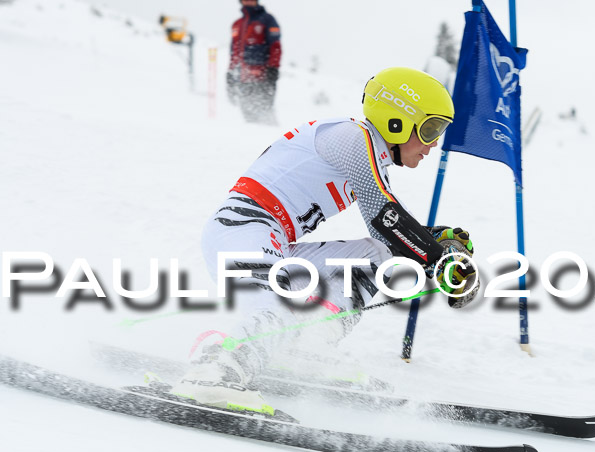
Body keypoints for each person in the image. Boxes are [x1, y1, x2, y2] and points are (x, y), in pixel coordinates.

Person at [171, 67, 479, 415]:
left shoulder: (370, 155)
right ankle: (212, 373)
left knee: (374, 254)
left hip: (274, 242)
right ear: (397, 120)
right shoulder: (350, 137)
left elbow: (387, 233)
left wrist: (432, 245)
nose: (433, 143)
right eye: (430, 129)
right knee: (279, 305)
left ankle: (306, 351)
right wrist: (437, 257)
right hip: (241, 229)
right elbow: (384, 214)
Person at [226, 0, 281, 124]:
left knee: (264, 112)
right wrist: (230, 73)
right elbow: (234, 52)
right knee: (248, 114)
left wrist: (273, 68)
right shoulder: (237, 24)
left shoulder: (267, 20)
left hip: (263, 76)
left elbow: (275, 46)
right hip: (242, 77)